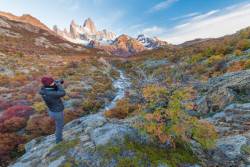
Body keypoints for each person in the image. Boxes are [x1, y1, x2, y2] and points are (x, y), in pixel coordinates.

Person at [39, 77, 66, 143]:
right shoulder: (51, 93)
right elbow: (62, 93)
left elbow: (52, 87)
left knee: (58, 124)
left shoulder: (44, 89)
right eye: (52, 82)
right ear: (50, 84)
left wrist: (56, 82)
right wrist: (59, 84)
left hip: (51, 110)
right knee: (59, 126)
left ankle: (58, 137)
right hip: (57, 112)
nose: (54, 82)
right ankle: (58, 141)